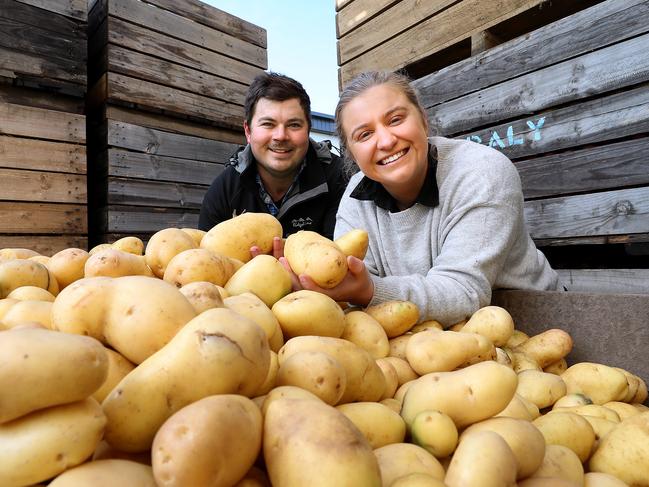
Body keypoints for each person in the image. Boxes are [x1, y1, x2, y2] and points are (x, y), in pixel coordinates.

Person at [292, 71, 561, 326]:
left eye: (395, 119)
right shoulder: (355, 196)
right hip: (427, 333)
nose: (385, 141)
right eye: (365, 135)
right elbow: (354, 275)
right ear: (350, 152)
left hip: (536, 320)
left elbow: (463, 291)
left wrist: (369, 289)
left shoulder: (481, 171)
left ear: (423, 119)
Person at [198, 72, 347, 240]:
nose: (281, 136)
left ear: (308, 130)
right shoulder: (225, 190)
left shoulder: (339, 180)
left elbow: (340, 258)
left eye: (294, 125)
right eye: (268, 124)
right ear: (248, 131)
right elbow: (208, 258)